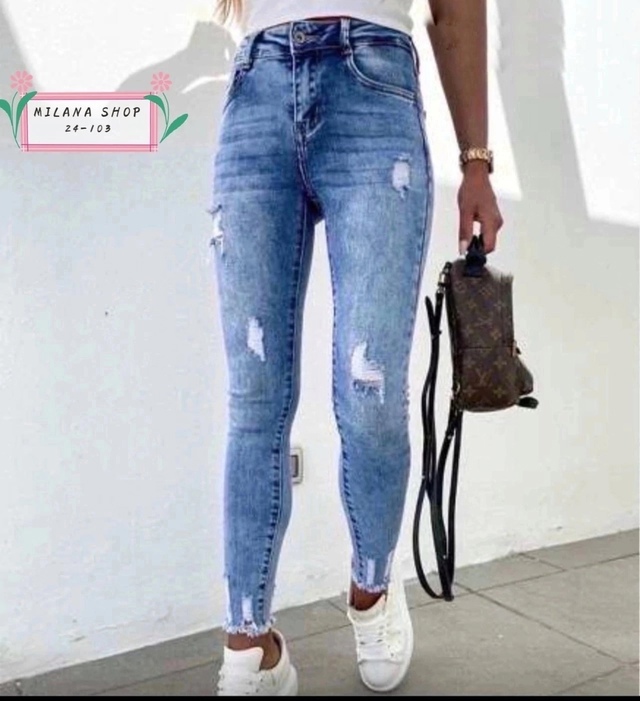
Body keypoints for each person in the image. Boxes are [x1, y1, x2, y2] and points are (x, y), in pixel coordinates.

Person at [209, 0, 503, 695]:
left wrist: (477, 162)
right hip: (256, 91)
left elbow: (456, 10)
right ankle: (249, 643)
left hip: (373, 87)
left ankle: (371, 588)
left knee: (368, 390)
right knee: (254, 399)